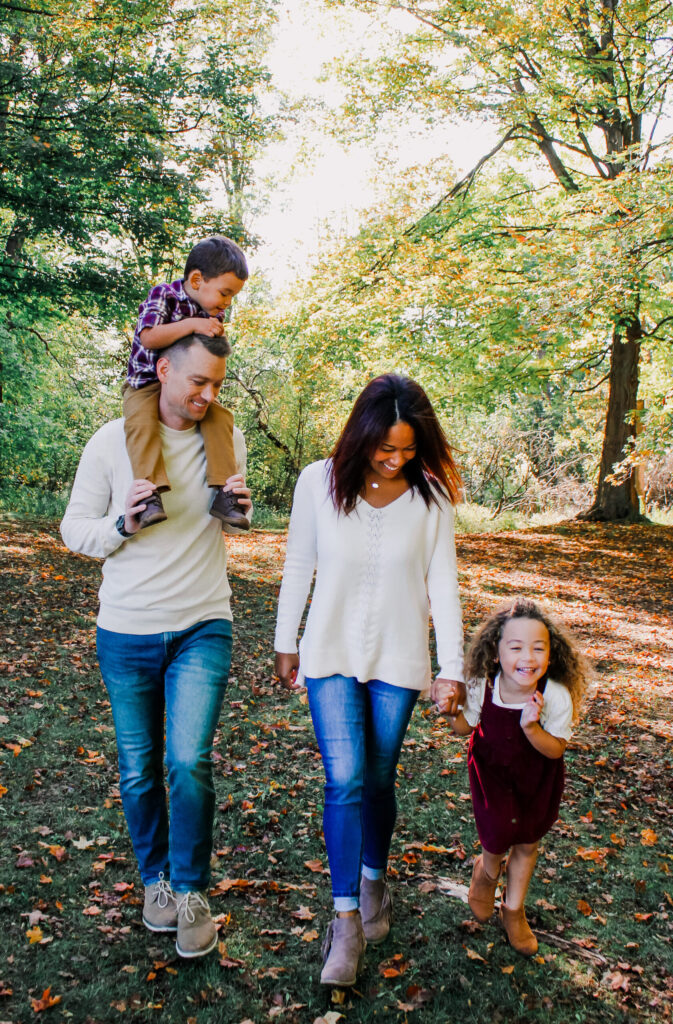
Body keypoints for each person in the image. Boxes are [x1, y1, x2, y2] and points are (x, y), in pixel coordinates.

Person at [60, 332, 252, 959]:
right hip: (127, 629)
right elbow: (74, 530)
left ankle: (192, 892)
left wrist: (240, 511)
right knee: (140, 766)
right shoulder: (111, 442)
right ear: (163, 370)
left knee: (189, 760)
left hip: (203, 622)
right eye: (198, 381)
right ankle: (156, 881)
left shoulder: (225, 439)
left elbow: (230, 521)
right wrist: (122, 523)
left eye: (217, 385)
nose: (208, 395)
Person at [274, 374, 465, 987]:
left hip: (398, 658)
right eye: (386, 447)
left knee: (379, 779)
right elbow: (299, 562)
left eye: (408, 449)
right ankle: (346, 921)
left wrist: (452, 667)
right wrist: (285, 640)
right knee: (346, 778)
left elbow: (443, 585)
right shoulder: (318, 481)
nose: (395, 459)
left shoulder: (433, 498)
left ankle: (374, 880)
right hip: (329, 651)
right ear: (362, 433)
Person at [447, 597, 590, 955]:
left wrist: (531, 728)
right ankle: (486, 872)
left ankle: (513, 910)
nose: (528, 657)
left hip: (535, 781)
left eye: (538, 648)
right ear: (496, 653)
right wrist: (450, 713)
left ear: (550, 655)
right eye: (516, 647)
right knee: (495, 838)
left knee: (527, 843)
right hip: (492, 776)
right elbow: (465, 727)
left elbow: (555, 749)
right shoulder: (483, 685)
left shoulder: (555, 695)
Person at [124, 234, 250, 531]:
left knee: (220, 417)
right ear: (196, 280)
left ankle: (225, 492)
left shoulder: (211, 312)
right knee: (141, 423)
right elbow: (149, 337)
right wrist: (193, 324)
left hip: (186, 387)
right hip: (145, 383)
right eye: (224, 293)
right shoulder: (164, 295)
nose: (227, 302)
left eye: (232, 296)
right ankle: (149, 494)